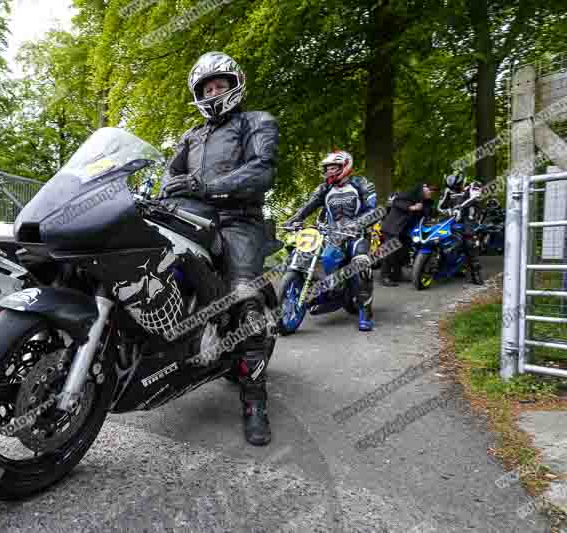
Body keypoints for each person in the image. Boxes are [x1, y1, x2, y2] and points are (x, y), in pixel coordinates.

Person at [158, 51, 280, 446]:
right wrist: (159, 193)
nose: (212, 92)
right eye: (206, 88)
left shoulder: (257, 121)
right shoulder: (191, 136)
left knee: (245, 300)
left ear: (234, 85)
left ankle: (254, 402)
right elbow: (168, 176)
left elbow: (262, 169)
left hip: (238, 220)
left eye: (219, 85)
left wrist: (206, 187)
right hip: (190, 220)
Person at [285, 151, 377, 331]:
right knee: (309, 255)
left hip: (356, 235)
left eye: (333, 168)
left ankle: (365, 313)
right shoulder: (324, 188)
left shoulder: (362, 184)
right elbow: (307, 207)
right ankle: (324, 291)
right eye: (327, 169)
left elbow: (374, 211)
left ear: (345, 167)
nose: (329, 172)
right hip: (332, 235)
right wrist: (293, 220)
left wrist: (357, 224)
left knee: (361, 263)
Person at [380, 183, 434, 286]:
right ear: (421, 190)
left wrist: (426, 206)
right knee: (390, 253)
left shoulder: (425, 202)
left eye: (431, 191)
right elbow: (396, 202)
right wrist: (411, 207)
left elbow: (428, 214)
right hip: (393, 228)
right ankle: (385, 276)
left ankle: (397, 274)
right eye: (428, 190)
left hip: (406, 232)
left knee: (402, 254)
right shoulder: (406, 196)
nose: (430, 192)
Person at [437, 172, 484, 285]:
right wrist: (446, 211)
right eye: (452, 187)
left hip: (468, 219)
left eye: (456, 186)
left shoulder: (473, 186)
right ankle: (436, 262)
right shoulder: (447, 190)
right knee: (439, 237)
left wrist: (460, 208)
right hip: (451, 219)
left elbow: (475, 198)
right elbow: (440, 206)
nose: (454, 189)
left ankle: (475, 274)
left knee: (469, 243)